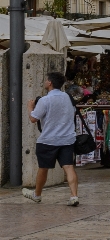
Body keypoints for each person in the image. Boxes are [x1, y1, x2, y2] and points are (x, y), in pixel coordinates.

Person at [24, 71, 80, 205]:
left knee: (43, 168)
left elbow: (33, 118)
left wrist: (30, 107)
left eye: (46, 80)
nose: (44, 82)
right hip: (67, 139)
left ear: (50, 83)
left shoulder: (45, 100)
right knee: (68, 167)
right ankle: (74, 196)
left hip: (48, 140)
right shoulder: (67, 97)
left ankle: (37, 195)